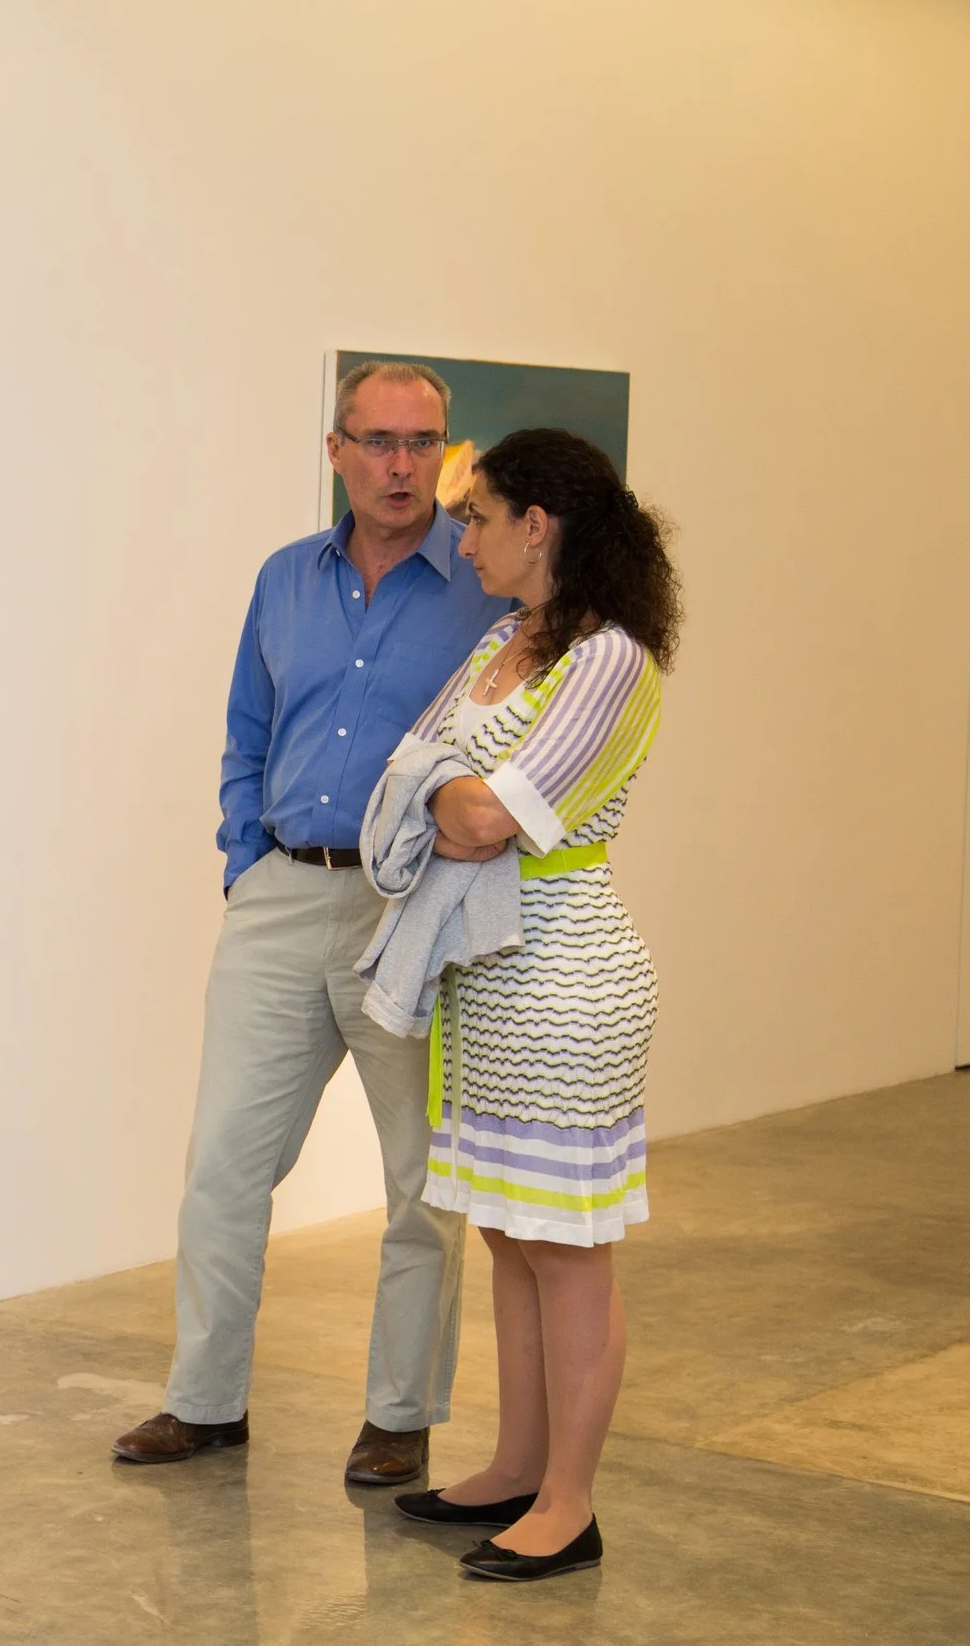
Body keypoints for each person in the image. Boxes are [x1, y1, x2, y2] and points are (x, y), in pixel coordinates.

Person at [114, 363, 500, 1483]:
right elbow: (245, 724)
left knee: (420, 1181)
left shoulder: (484, 589)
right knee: (224, 1162)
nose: (399, 464)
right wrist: (244, 858)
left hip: (412, 908)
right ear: (335, 450)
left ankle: (398, 1414)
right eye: (376, 441)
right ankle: (203, 1400)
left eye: (421, 443)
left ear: (444, 452)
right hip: (281, 894)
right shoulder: (284, 578)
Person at [384, 427, 678, 1583]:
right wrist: (435, 790)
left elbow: (481, 816)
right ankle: (513, 1463)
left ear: (536, 525)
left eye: (478, 517)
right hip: (489, 980)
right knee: (510, 1233)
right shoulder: (510, 640)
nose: (464, 540)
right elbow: (409, 771)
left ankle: (570, 1499)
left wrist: (437, 792)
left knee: (569, 1249)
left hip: (567, 982)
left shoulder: (610, 659)